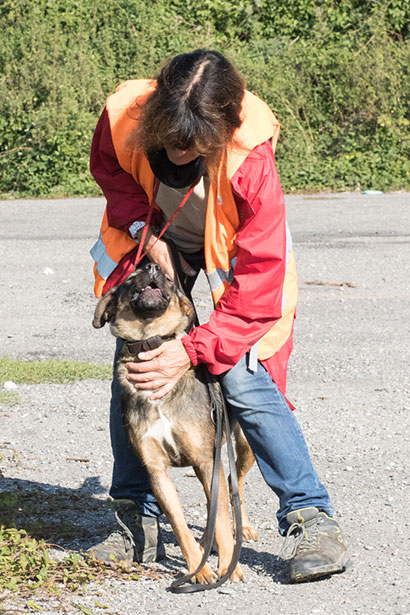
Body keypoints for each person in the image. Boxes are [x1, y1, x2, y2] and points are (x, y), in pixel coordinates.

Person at [88, 49, 349, 583]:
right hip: (155, 238)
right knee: (136, 363)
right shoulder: (122, 115)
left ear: (222, 132)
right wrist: (145, 233)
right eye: (168, 141)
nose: (177, 155)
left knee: (244, 377)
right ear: (154, 113)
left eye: (191, 147)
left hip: (236, 253)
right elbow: (111, 173)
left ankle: (311, 517)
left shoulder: (250, 157)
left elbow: (258, 282)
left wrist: (192, 350)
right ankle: (136, 515)